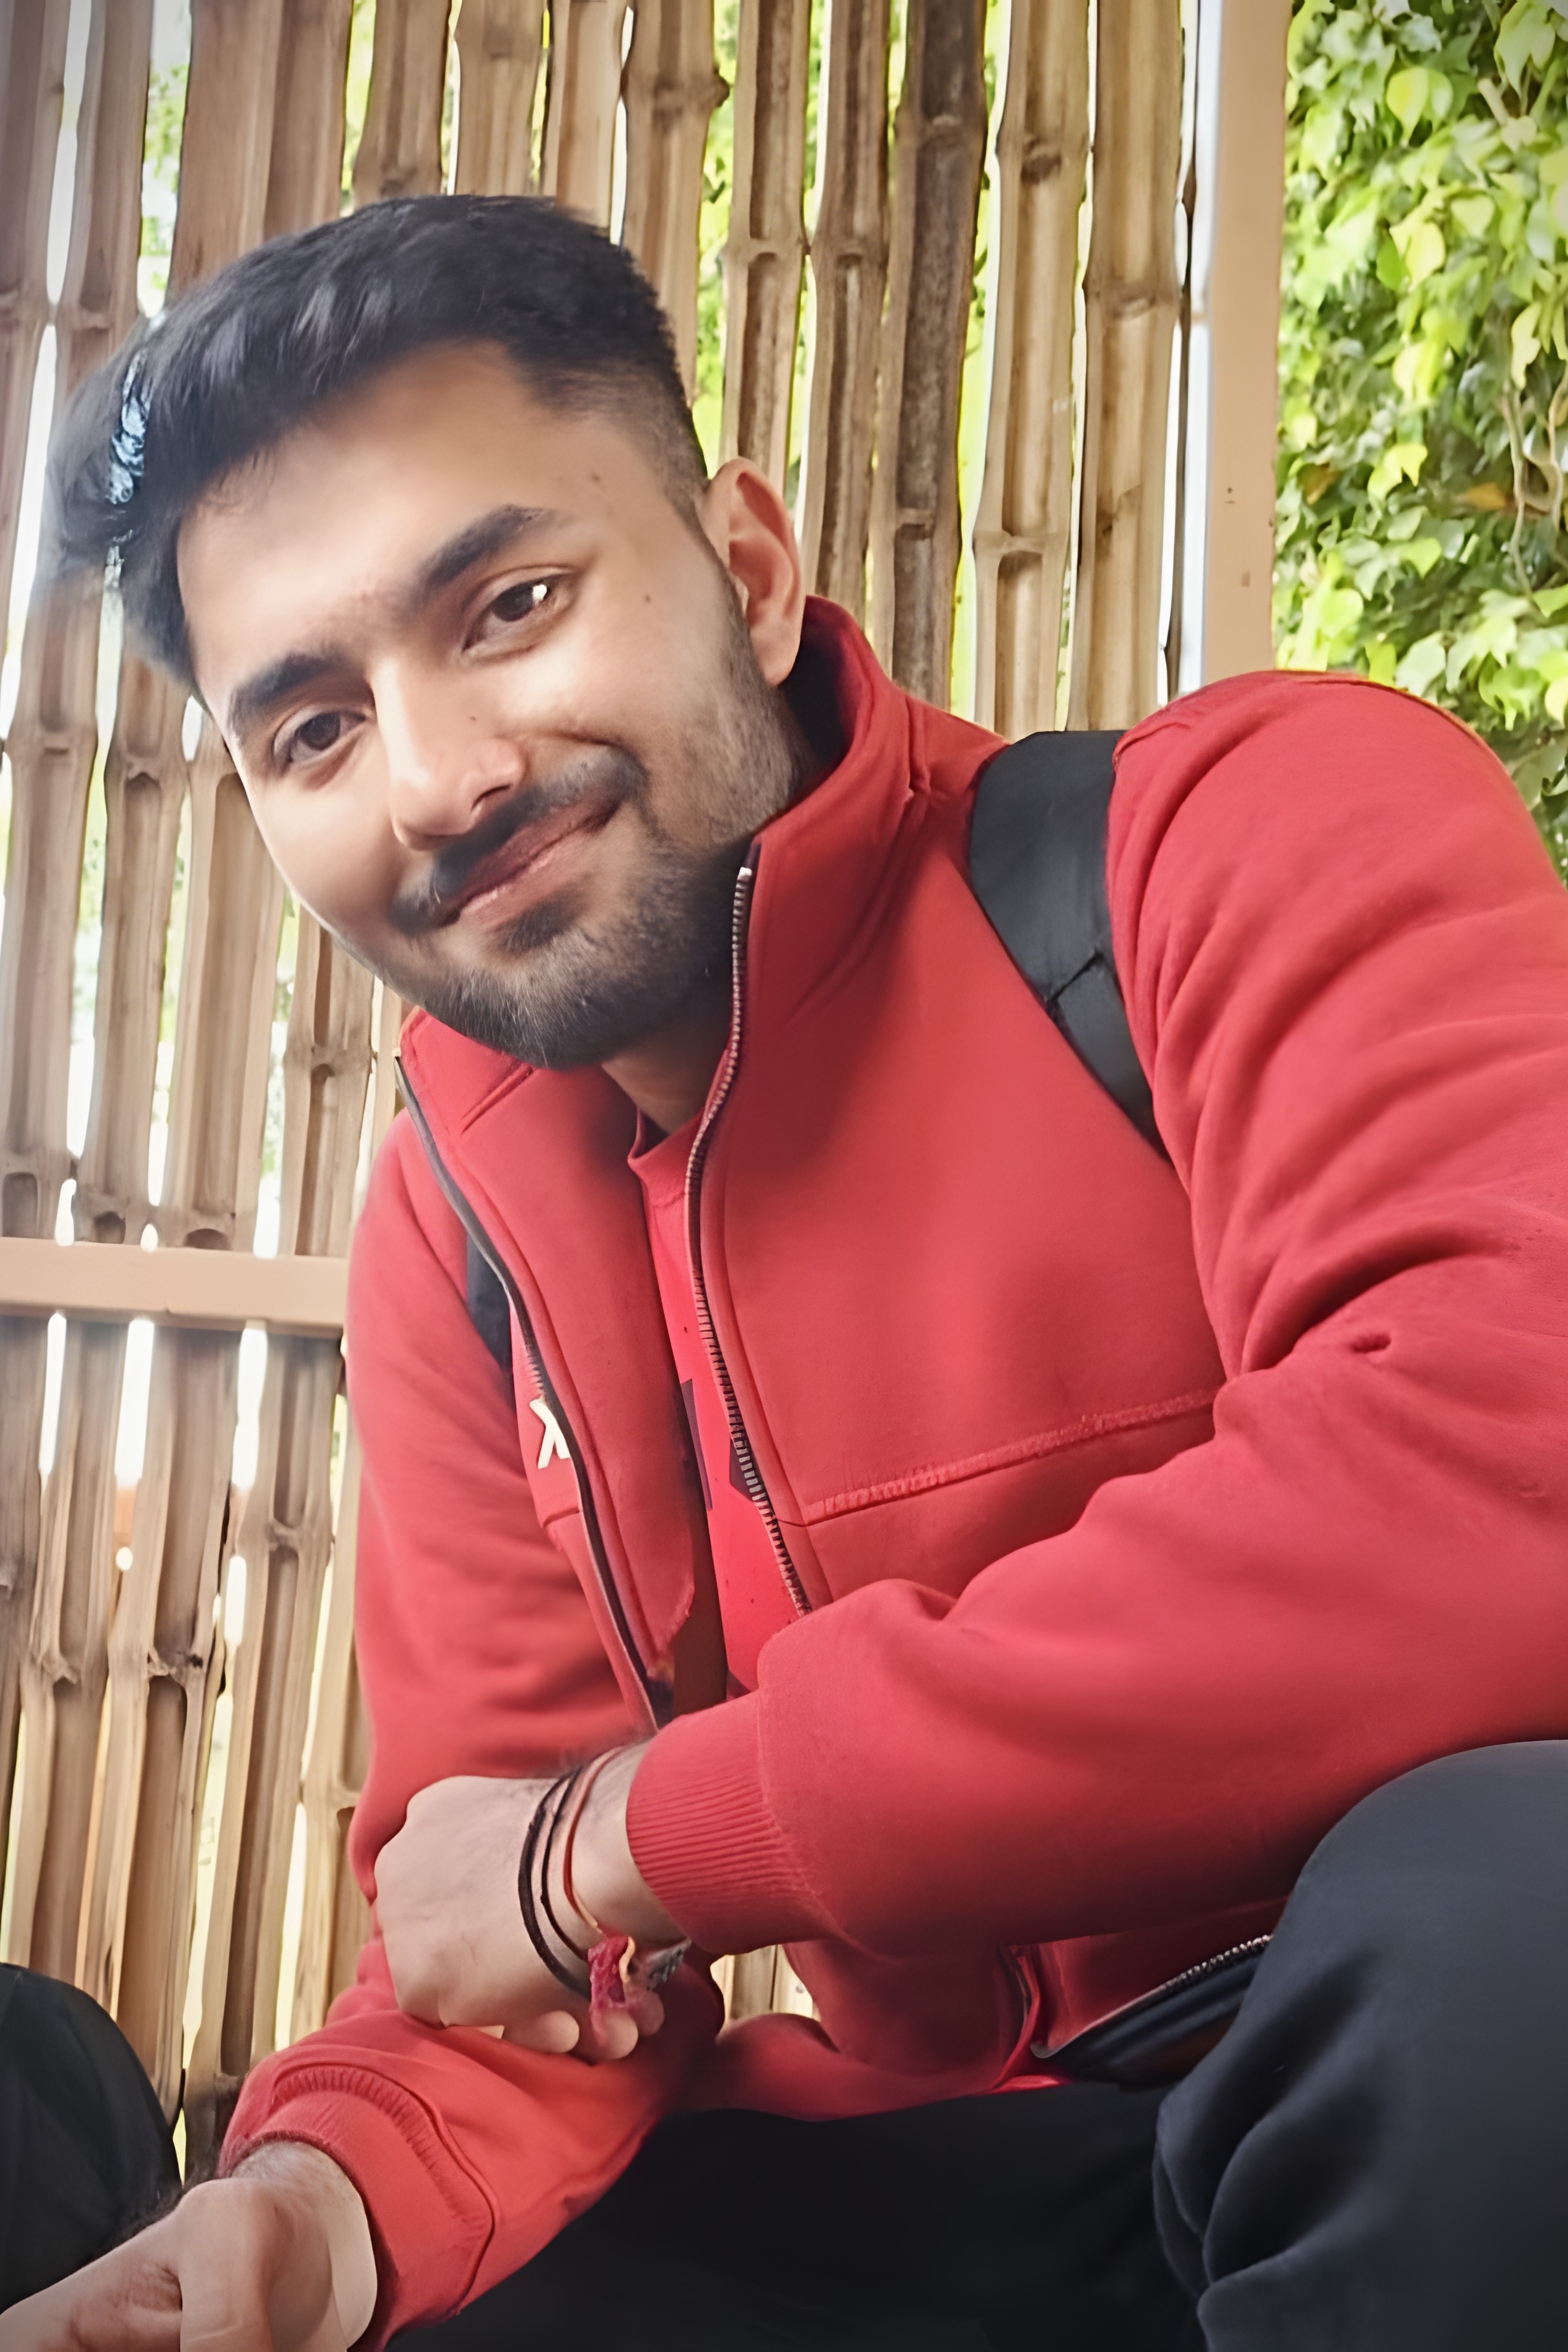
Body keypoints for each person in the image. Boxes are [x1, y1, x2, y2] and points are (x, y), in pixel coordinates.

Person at [6, 191, 1567, 2351]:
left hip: (1408, 2066)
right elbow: (505, 1932)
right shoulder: (459, 1221)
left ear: (746, 571)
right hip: (956, 2179)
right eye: (317, 731)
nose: (443, 779)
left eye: (511, 605)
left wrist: (646, 1832)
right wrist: (315, 2204)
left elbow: (1498, 1486)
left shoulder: (1232, 835)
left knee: (1519, 1915)